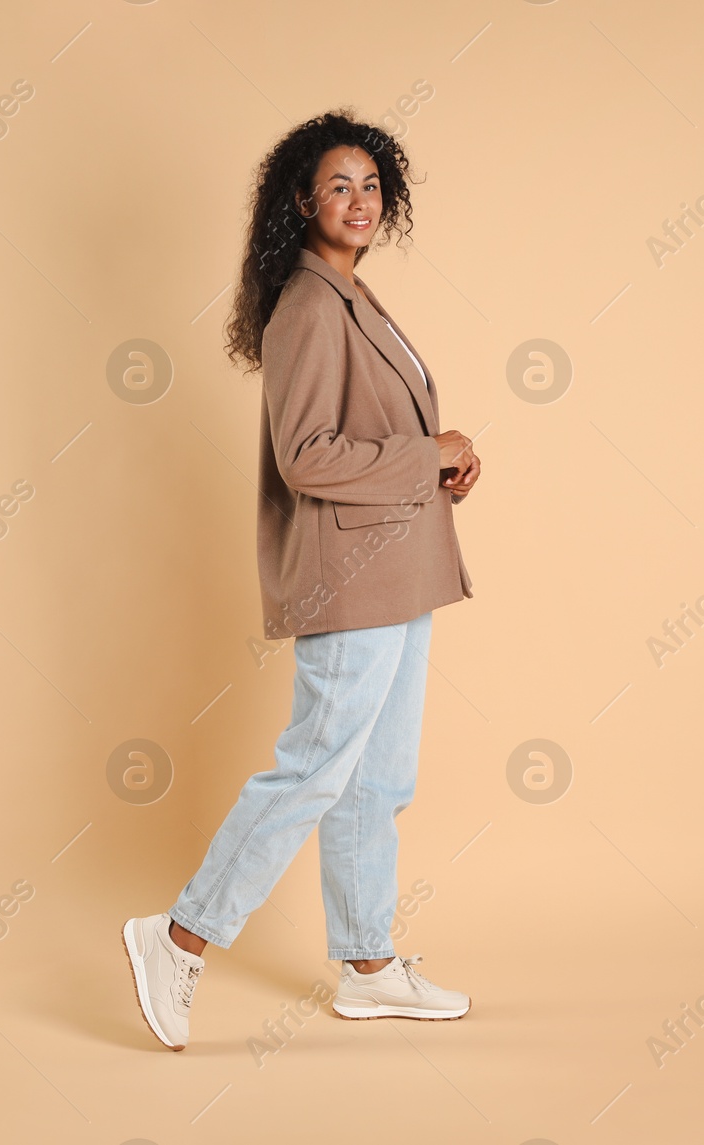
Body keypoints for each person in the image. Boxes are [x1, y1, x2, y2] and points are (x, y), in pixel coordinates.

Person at [123, 109, 482, 1051]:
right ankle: (178, 936)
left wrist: (441, 462)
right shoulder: (310, 306)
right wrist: (420, 456)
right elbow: (308, 457)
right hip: (351, 577)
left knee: (378, 778)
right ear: (302, 200)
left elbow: (374, 438)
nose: (359, 200)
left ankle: (368, 968)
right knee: (315, 769)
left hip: (398, 569)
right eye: (339, 186)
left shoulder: (354, 296)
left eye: (370, 185)